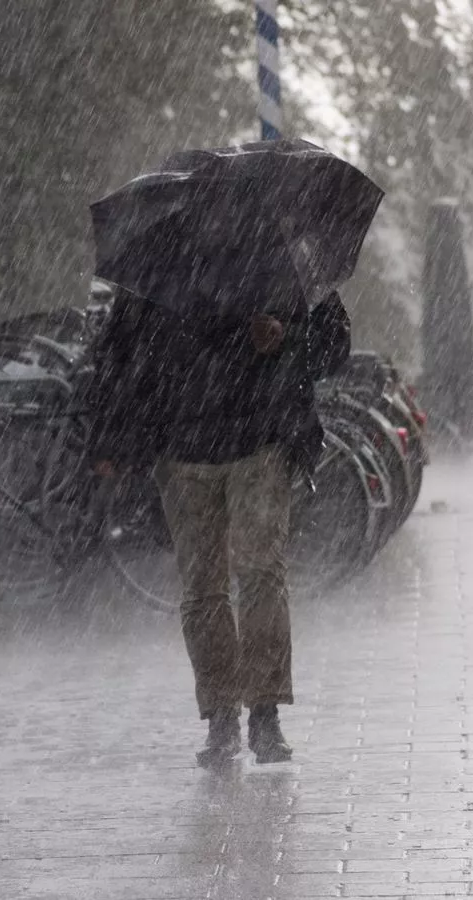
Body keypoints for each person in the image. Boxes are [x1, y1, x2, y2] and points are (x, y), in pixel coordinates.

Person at [86, 266, 350, 767]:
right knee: (204, 587)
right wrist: (111, 438)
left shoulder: (280, 256)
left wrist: (286, 337)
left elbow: (333, 344)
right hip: (182, 449)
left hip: (260, 441)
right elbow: (120, 353)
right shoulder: (163, 258)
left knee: (260, 574)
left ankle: (264, 713)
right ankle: (222, 716)